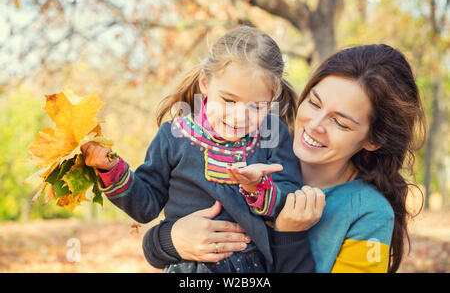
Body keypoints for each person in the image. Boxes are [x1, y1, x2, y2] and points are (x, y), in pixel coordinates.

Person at [144, 44, 426, 273]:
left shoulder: (369, 213)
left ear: (373, 139)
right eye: (314, 103)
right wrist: (167, 240)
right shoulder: (250, 152)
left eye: (340, 123)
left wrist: (289, 235)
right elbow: (172, 236)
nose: (314, 124)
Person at [81, 26, 321, 273]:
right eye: (229, 100)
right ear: (205, 82)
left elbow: (289, 200)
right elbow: (146, 206)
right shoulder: (173, 136)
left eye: (257, 107)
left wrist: (257, 189)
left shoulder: (274, 135)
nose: (240, 117)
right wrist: (112, 169)